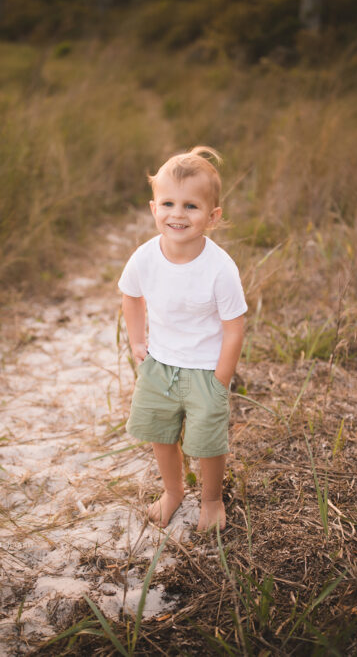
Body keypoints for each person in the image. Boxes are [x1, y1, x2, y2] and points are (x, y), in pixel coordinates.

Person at [118, 146, 247, 532]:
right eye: (168, 203)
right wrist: (138, 342)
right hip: (160, 363)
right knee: (161, 433)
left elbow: (234, 326)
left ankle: (211, 500)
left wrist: (220, 380)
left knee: (208, 442)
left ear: (212, 215)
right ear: (154, 207)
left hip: (206, 369)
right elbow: (131, 296)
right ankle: (173, 492)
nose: (177, 214)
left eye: (191, 206)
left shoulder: (220, 268)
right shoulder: (144, 257)